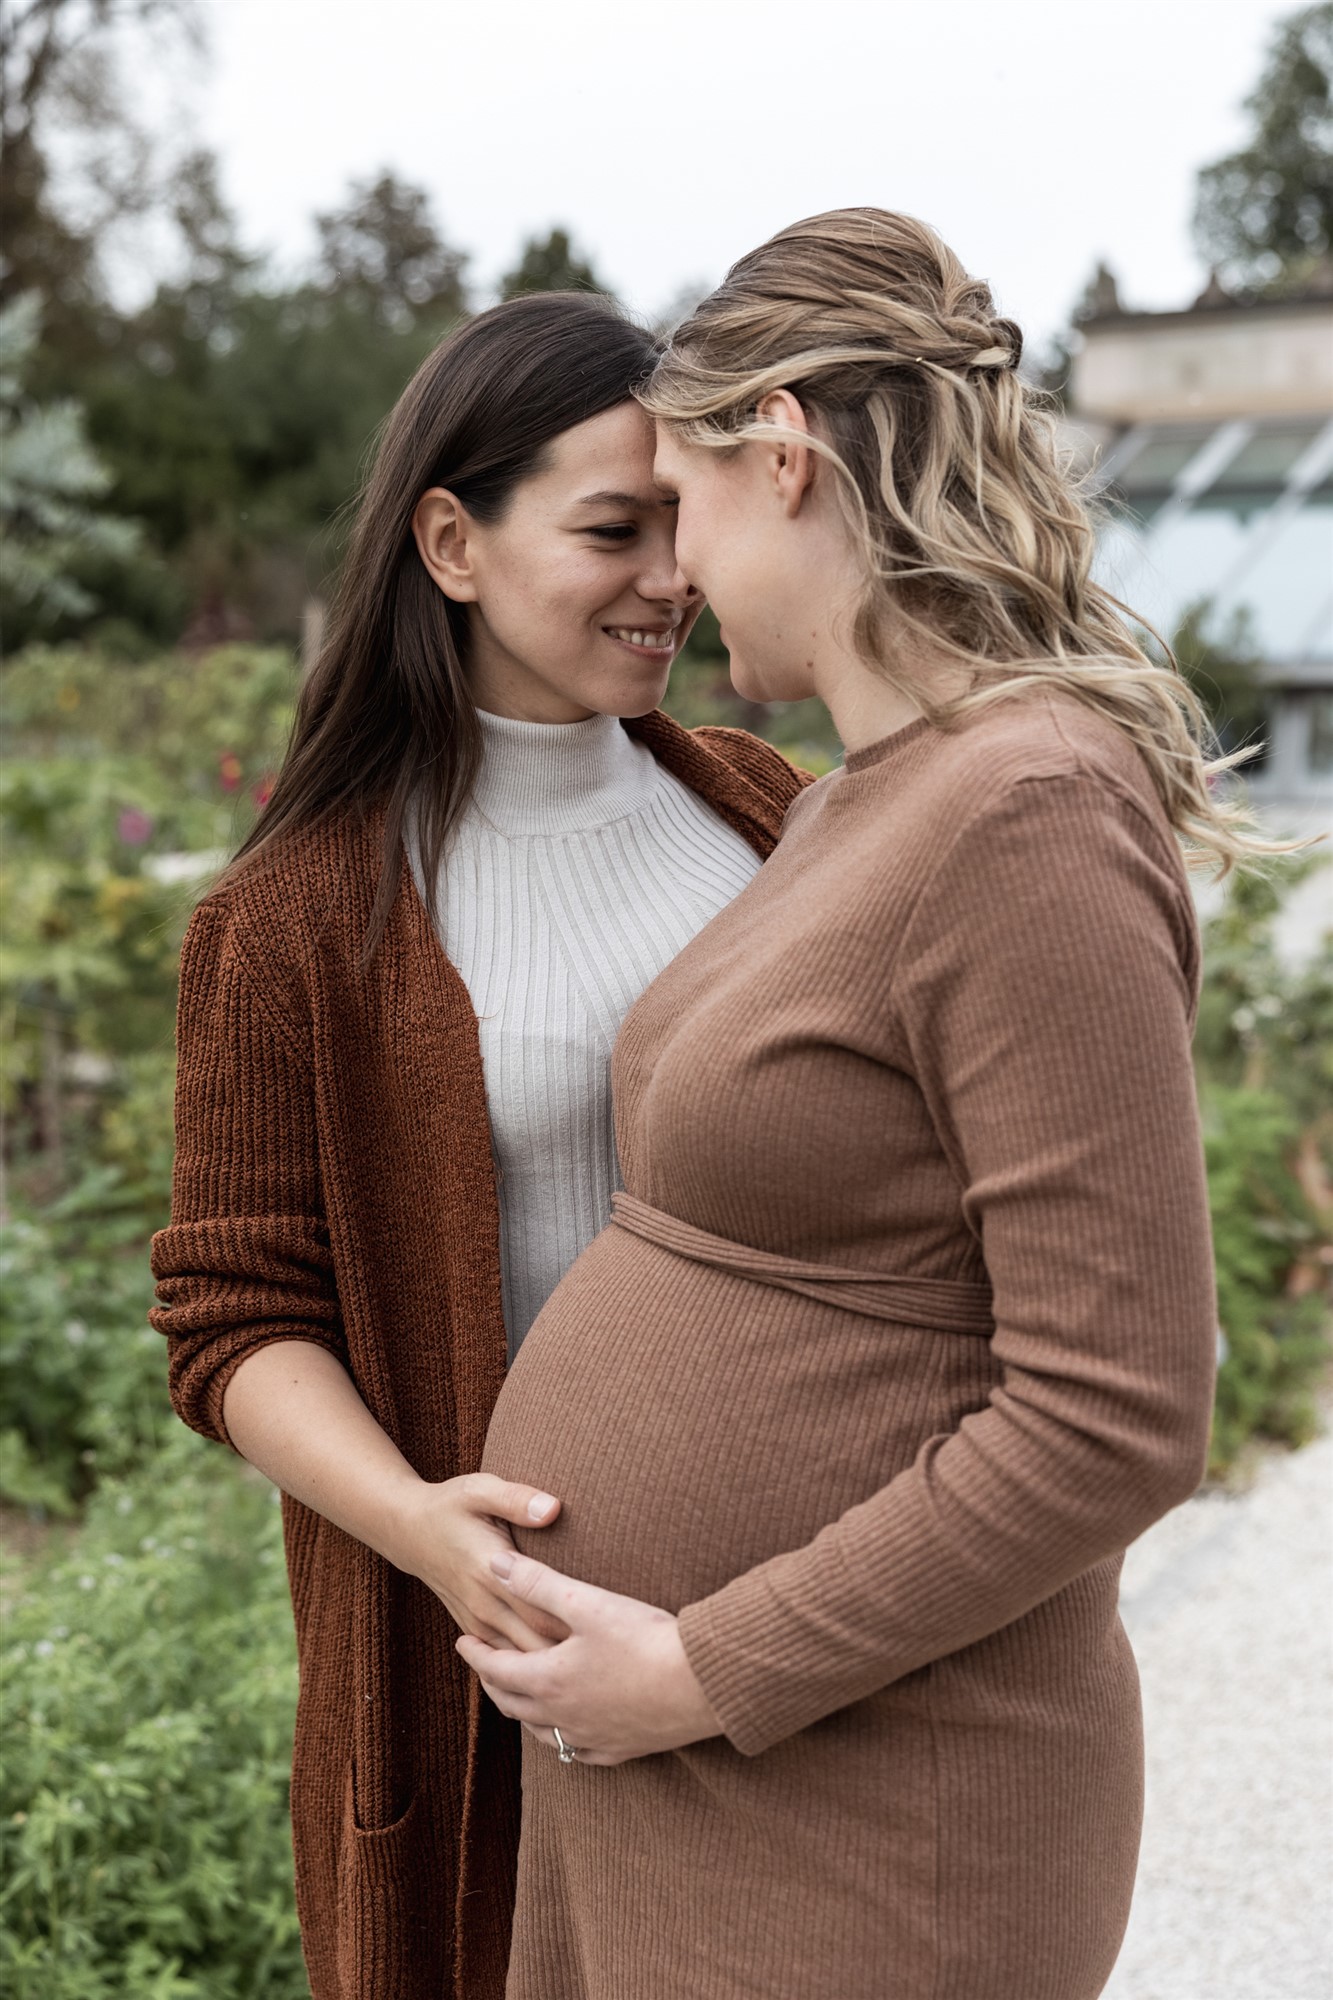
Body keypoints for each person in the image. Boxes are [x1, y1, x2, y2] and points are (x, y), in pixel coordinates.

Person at [472, 212, 1274, 1999]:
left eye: (676, 503)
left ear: (783, 452)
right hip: (713, 1778)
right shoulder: (864, 800)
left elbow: (1116, 1408)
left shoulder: (1029, 810)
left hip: (864, 1796)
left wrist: (702, 1670)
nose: (667, 570)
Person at [148, 290, 808, 2000]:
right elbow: (231, 1320)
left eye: (687, 517)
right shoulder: (292, 921)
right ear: (450, 538)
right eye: (613, 526)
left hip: (775, 1630)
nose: (673, 572)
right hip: (483, 1654)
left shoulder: (770, 815)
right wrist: (437, 1538)